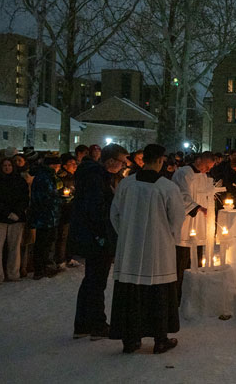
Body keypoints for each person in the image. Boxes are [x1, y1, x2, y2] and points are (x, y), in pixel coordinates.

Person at [109, 144, 183, 354]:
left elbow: (114, 214)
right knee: (158, 293)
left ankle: (130, 339)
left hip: (130, 249)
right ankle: (160, 339)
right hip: (158, 249)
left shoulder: (126, 184)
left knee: (132, 293)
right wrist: (167, 236)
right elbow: (176, 219)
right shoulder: (167, 187)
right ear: (160, 161)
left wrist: (126, 234)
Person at [70, 143, 129, 340]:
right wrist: (102, 234)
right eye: (121, 162)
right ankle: (97, 324)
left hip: (92, 234)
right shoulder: (96, 177)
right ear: (111, 161)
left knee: (91, 280)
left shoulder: (92, 174)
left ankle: (83, 324)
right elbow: (96, 208)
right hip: (97, 236)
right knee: (97, 281)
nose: (123, 166)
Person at [171, 152, 216, 303]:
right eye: (207, 166)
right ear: (198, 160)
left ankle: (192, 295)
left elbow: (207, 194)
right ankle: (177, 296)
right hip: (186, 223)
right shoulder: (183, 173)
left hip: (199, 225)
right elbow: (180, 196)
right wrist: (197, 208)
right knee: (181, 262)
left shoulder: (204, 177)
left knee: (196, 261)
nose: (208, 170)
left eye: (210, 167)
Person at [0, 159, 28, 283]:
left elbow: (24, 198)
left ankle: (13, 273)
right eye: (4, 165)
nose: (7, 168)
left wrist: (17, 212)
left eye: (9, 165)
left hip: (17, 218)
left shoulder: (20, 181)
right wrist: (7, 213)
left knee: (14, 247)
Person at [28, 156, 63, 280]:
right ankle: (40, 269)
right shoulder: (44, 177)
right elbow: (45, 196)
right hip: (45, 215)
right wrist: (59, 199)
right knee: (42, 243)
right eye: (58, 165)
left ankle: (43, 267)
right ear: (53, 165)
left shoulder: (47, 176)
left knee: (46, 242)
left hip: (49, 215)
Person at [54, 153, 78, 268]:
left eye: (75, 163)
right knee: (62, 235)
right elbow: (59, 192)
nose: (74, 166)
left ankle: (69, 257)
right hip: (64, 210)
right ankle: (60, 259)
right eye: (71, 164)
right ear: (64, 166)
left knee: (71, 235)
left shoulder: (75, 177)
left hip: (73, 209)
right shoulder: (61, 178)